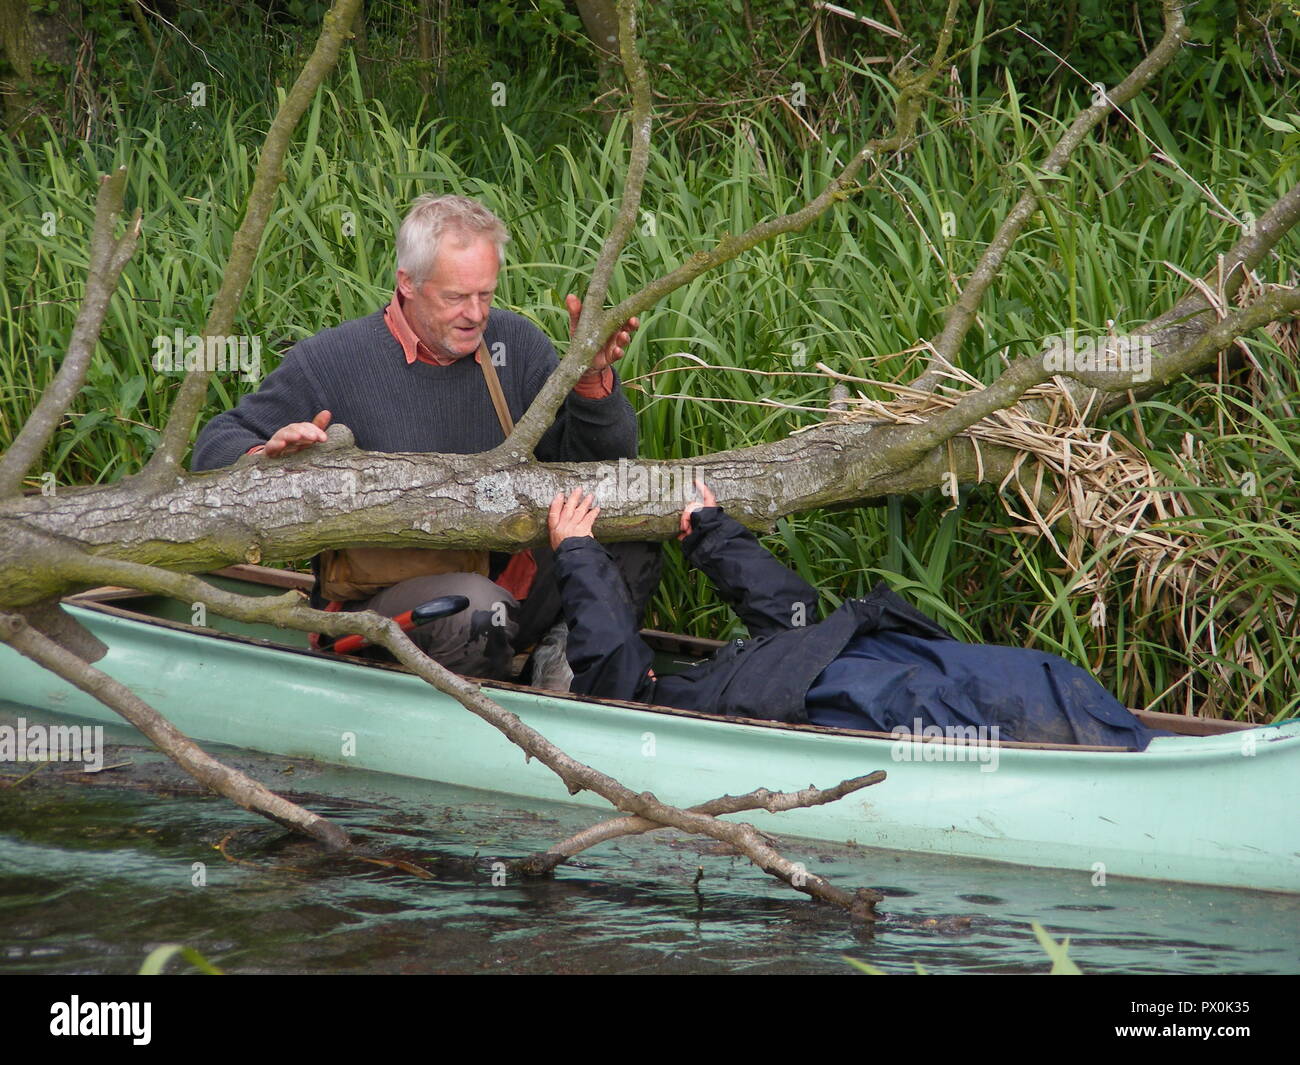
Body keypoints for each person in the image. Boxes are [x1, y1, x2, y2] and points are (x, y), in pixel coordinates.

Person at [192, 194, 659, 679]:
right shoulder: (331, 360)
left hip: (506, 588)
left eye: (485, 295)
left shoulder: (514, 345)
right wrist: (264, 455)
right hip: (388, 610)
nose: (475, 314)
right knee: (474, 606)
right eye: (456, 297)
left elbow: (599, 467)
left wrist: (590, 380)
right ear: (407, 284)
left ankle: (564, 674)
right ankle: (474, 718)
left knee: (635, 529)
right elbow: (214, 445)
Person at [545, 482, 1167, 749]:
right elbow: (615, 672)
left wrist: (713, 538)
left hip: (853, 657)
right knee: (965, 696)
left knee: (1010, 679)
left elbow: (791, 619)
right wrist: (577, 554)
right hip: (853, 685)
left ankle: (1109, 741)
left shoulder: (648, 696)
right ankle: (1111, 745)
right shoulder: (652, 703)